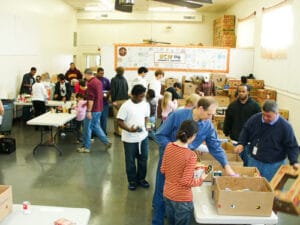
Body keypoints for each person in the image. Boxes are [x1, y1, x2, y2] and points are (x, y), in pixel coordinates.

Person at [152, 97, 236, 225]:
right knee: (162, 190)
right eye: (209, 114)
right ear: (201, 108)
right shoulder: (178, 115)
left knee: (175, 193)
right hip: (169, 160)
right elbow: (159, 135)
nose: (210, 118)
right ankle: (158, 220)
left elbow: (215, 147)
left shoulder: (207, 125)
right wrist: (176, 151)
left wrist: (226, 166)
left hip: (185, 163)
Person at [235, 100, 300, 181]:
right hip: (254, 161)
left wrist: (294, 162)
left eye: (269, 116)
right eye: (264, 115)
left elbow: (292, 146)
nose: (265, 118)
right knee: (251, 186)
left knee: (271, 190)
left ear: (276, 114)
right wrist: (241, 143)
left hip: (274, 165)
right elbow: (246, 130)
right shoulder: (255, 119)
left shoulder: (285, 127)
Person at [161, 120, 207, 225]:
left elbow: (163, 169)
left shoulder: (169, 147)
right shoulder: (191, 155)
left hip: (168, 195)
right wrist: (202, 178)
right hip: (182, 199)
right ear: (194, 136)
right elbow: (186, 181)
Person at [117, 84, 150, 190]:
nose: (142, 98)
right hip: (130, 139)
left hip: (143, 137)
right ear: (133, 95)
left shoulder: (145, 104)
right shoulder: (126, 106)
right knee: (130, 161)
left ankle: (141, 179)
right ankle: (132, 181)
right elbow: (119, 121)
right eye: (140, 96)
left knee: (143, 159)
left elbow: (146, 117)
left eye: (143, 96)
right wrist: (129, 129)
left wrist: (148, 127)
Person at [223, 84, 261, 165]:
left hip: (249, 142)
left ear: (248, 92)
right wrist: (226, 132)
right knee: (235, 163)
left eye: (243, 91)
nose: (241, 93)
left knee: (248, 164)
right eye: (239, 91)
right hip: (235, 140)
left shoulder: (255, 106)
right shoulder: (232, 106)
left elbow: (259, 123)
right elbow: (227, 121)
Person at [77, 69, 112, 153]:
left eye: (84, 75)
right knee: (96, 126)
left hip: (93, 110)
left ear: (86, 74)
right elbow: (97, 96)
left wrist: (88, 111)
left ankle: (86, 147)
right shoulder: (98, 81)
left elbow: (91, 99)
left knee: (87, 128)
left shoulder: (91, 83)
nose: (84, 77)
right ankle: (106, 142)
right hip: (99, 108)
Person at [111, 66, 129, 136]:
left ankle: (118, 132)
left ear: (116, 71)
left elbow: (113, 91)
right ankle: (123, 131)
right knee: (123, 117)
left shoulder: (114, 79)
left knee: (117, 117)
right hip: (125, 100)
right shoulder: (125, 79)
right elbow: (127, 88)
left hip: (117, 100)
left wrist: (113, 101)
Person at [96, 67, 111, 135]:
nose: (102, 74)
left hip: (105, 102)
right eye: (100, 73)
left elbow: (110, 89)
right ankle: (97, 132)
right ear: (97, 73)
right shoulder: (94, 80)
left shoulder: (106, 80)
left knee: (104, 118)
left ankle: (103, 132)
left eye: (103, 73)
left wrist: (107, 93)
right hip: (96, 103)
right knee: (97, 119)